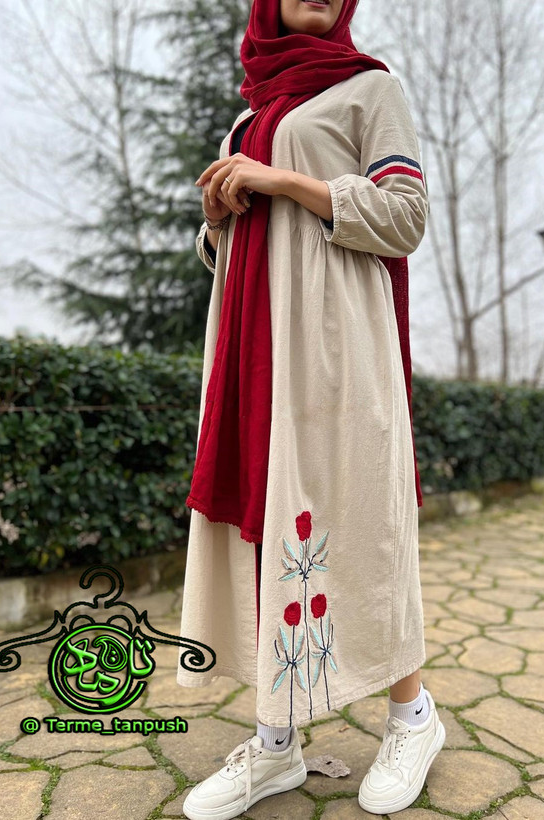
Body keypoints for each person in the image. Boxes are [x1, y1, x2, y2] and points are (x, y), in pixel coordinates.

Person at [178, 1, 446, 818]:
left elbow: (405, 218)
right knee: (269, 524)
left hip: (339, 350)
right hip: (256, 357)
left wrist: (284, 181)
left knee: (364, 518)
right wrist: (216, 221)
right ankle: (276, 744)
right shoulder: (248, 115)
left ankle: (413, 719)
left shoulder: (369, 89)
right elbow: (237, 252)